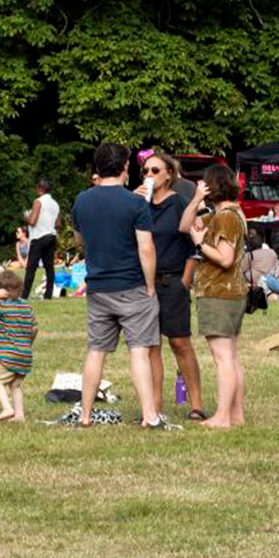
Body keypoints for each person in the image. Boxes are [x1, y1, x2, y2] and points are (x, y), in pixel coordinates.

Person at [71, 143, 165, 429]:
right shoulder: (135, 203)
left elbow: (78, 241)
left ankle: (85, 414)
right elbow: (145, 248)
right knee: (138, 350)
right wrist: (150, 286)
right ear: (125, 167)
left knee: (96, 350)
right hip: (132, 285)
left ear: (97, 168)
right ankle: (150, 415)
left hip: (98, 286)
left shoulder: (82, 201)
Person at [139, 153, 205, 420]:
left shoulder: (179, 203)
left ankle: (196, 404)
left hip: (173, 280)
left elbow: (193, 246)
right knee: (151, 346)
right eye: (145, 171)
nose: (149, 175)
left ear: (169, 174)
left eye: (155, 170)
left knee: (180, 343)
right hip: (145, 285)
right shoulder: (139, 205)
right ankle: (154, 406)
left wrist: (184, 281)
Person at [189, 164, 249, 428]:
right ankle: (236, 414)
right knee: (231, 357)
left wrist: (200, 244)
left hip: (218, 292)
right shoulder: (233, 213)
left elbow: (224, 259)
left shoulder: (224, 218)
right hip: (233, 293)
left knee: (222, 358)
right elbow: (185, 224)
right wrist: (196, 202)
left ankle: (223, 416)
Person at [0, 269, 36, 422]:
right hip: (25, 355)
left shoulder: (0, 305)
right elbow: (34, 329)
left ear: (1, 291)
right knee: (15, 385)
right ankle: (19, 415)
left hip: (7, 355)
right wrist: (28, 344)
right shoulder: (26, 306)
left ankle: (7, 408)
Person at [25, 179, 60, 300]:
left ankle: (24, 295)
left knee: (31, 267)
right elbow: (58, 224)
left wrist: (25, 217)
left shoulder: (38, 202)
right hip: (52, 236)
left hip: (39, 237)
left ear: (39, 188)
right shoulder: (55, 204)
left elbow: (32, 221)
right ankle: (48, 294)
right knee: (49, 267)